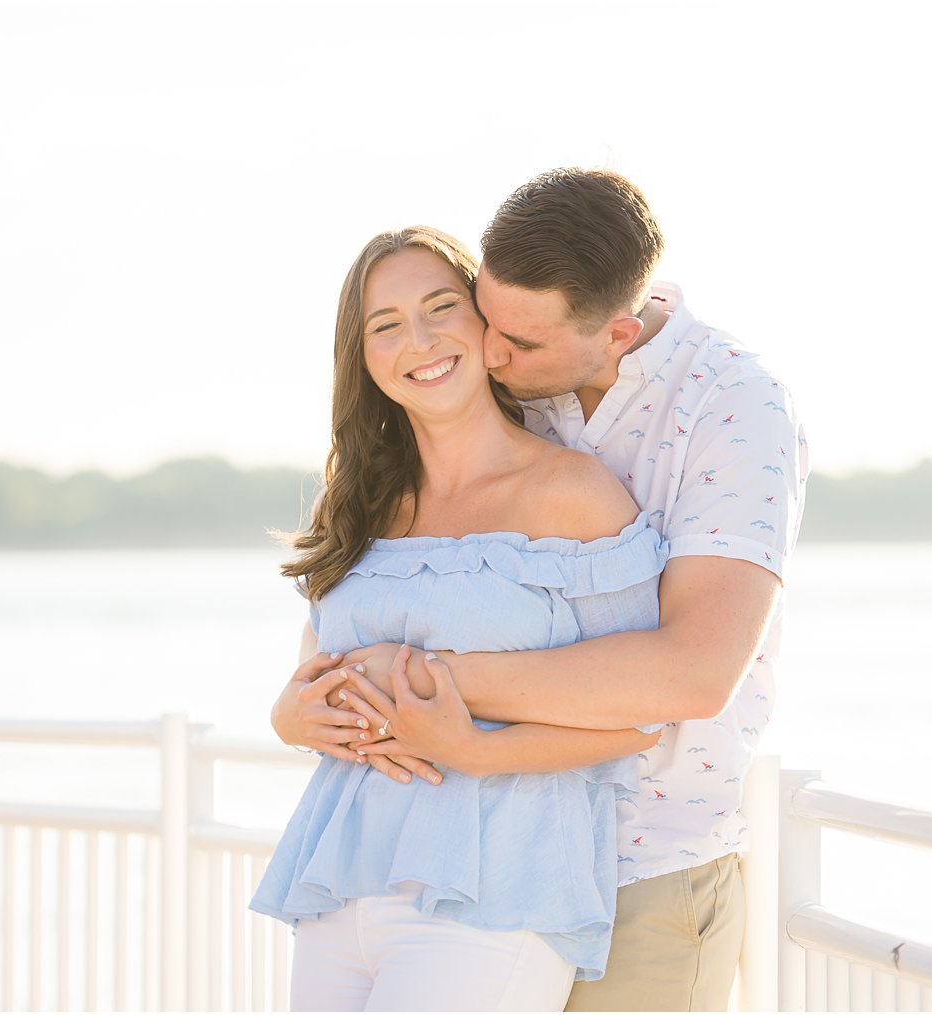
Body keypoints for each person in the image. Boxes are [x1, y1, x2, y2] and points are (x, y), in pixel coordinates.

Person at [274, 169, 809, 1012]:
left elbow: (693, 677)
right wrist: (303, 709)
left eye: (512, 342)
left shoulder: (732, 406)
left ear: (618, 334)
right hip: (418, 862)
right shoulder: (507, 399)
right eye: (488, 317)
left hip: (647, 860)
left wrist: (415, 678)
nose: (489, 352)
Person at [249, 225, 672, 1012]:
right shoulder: (358, 505)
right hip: (342, 885)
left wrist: (472, 747)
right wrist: (286, 717)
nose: (420, 338)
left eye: (442, 306)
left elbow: (642, 717)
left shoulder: (573, 494)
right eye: (386, 324)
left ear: (485, 326)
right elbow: (317, 674)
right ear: (364, 356)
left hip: (496, 890)